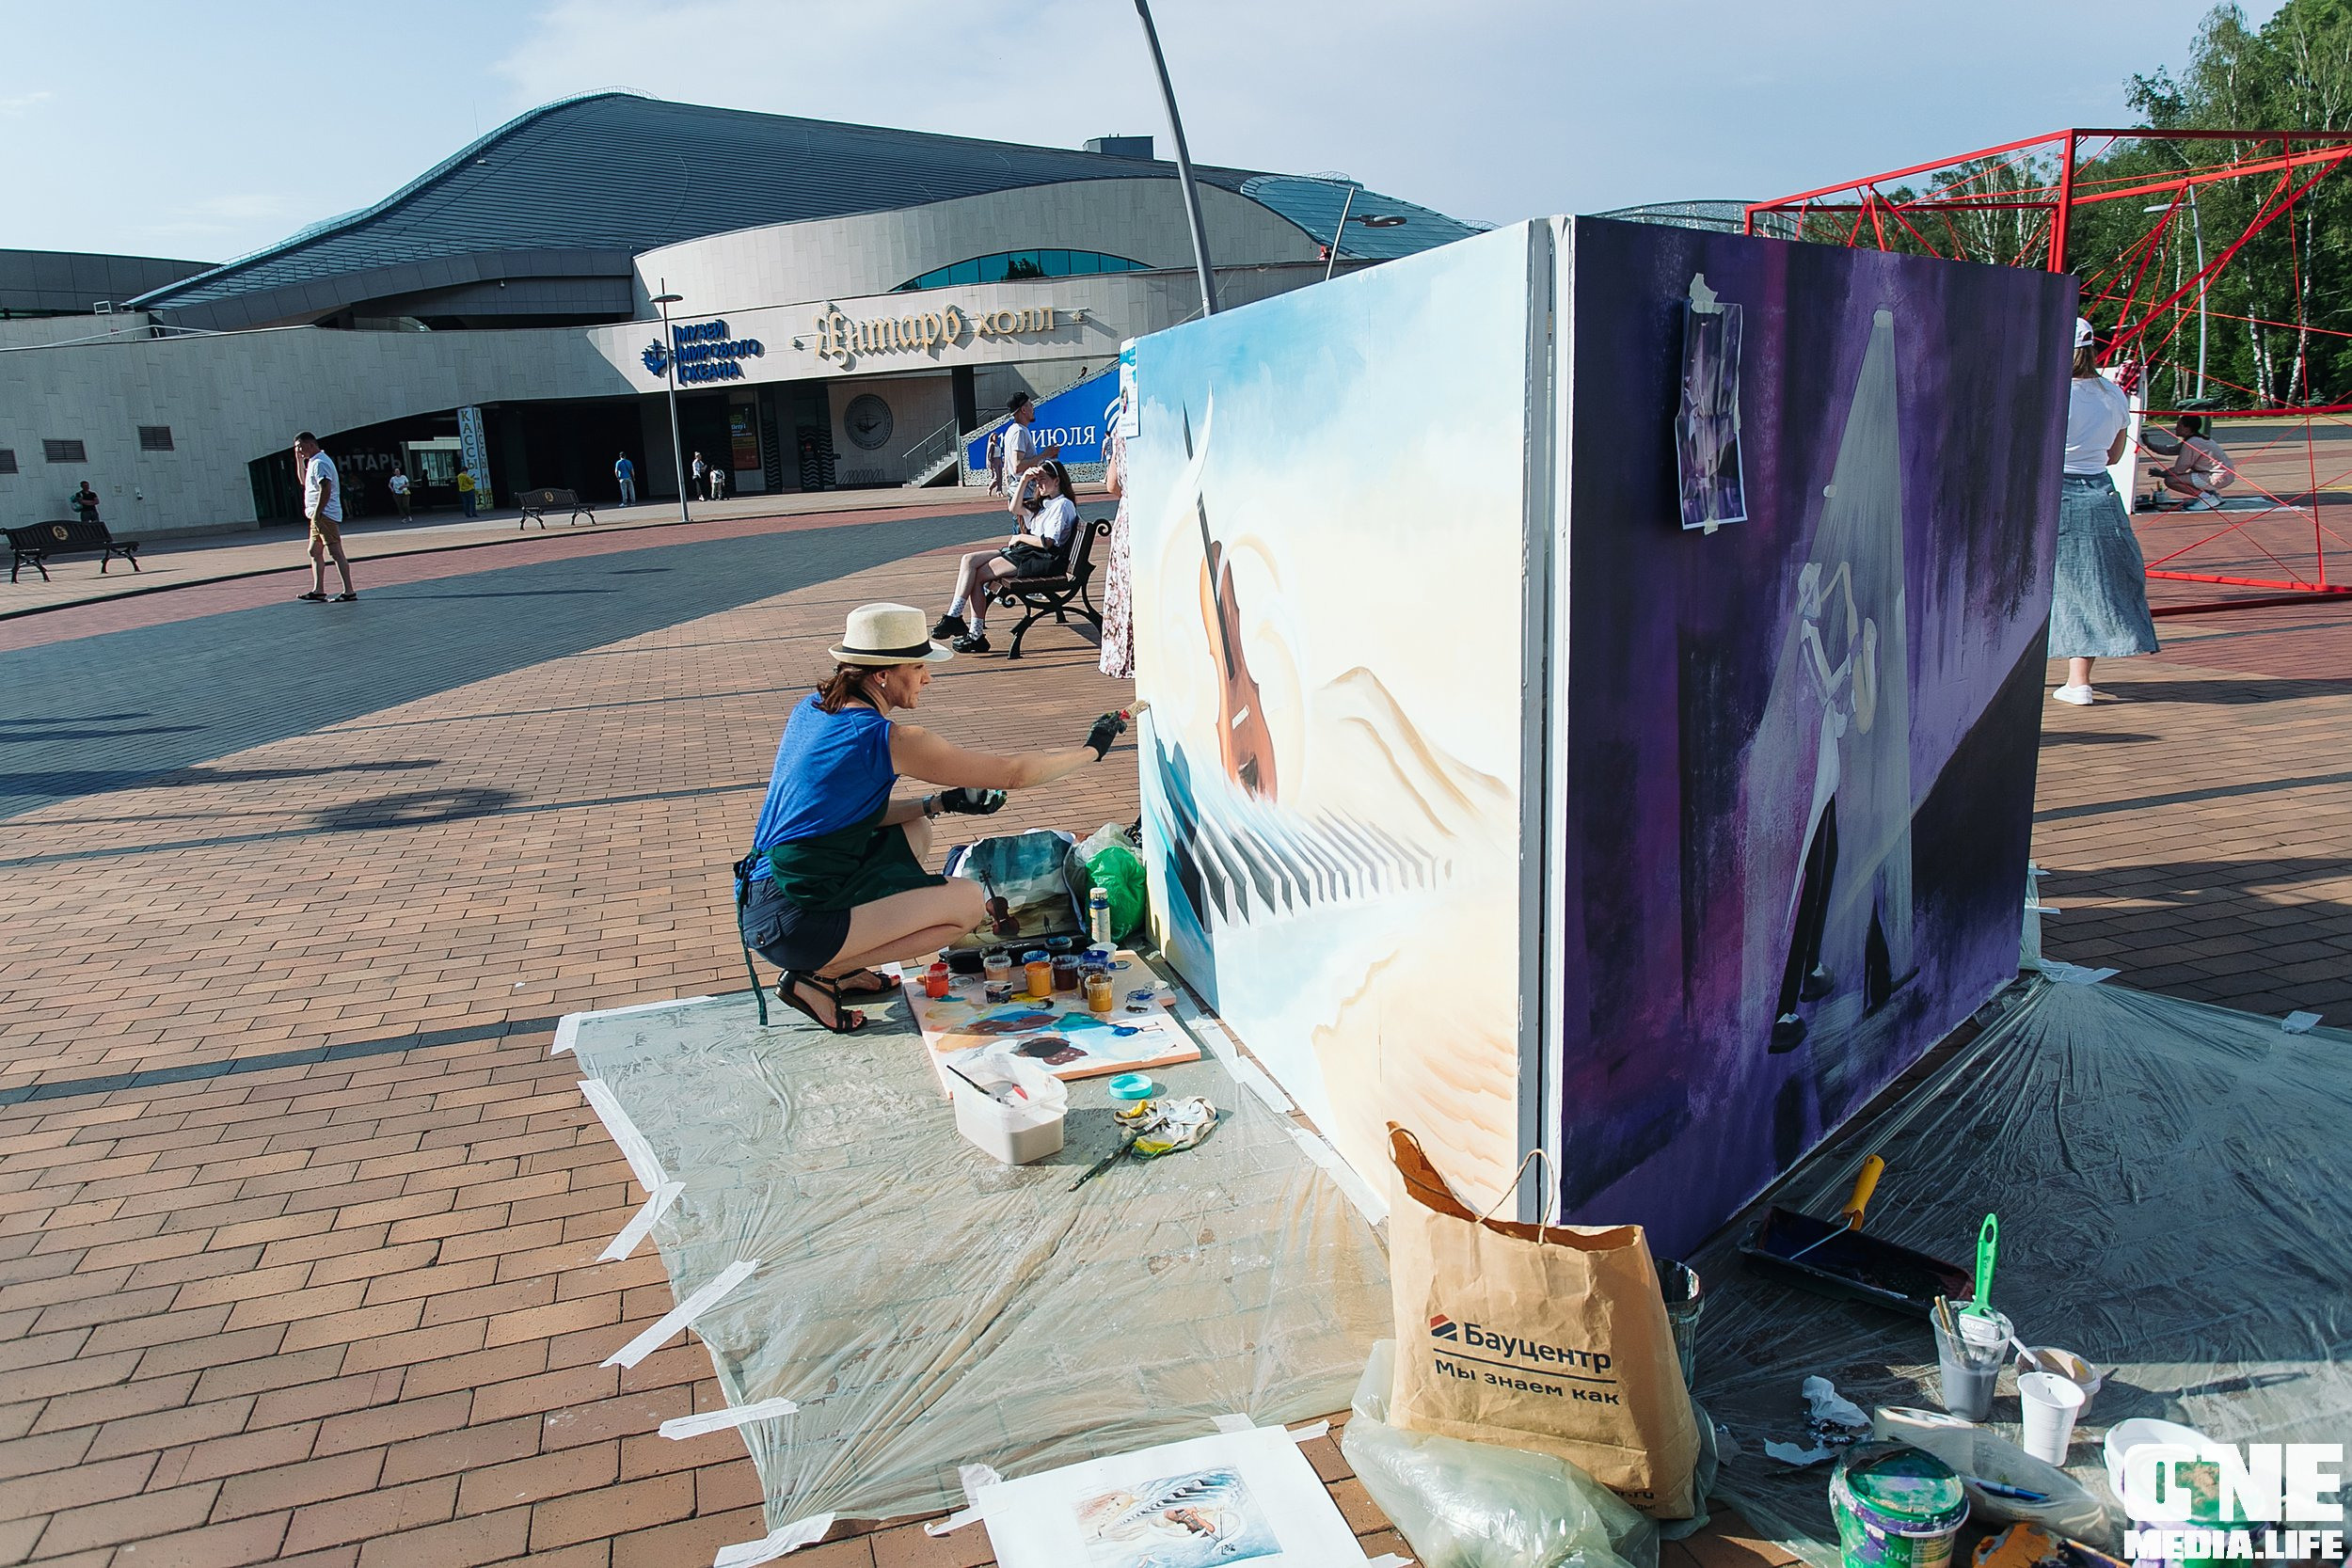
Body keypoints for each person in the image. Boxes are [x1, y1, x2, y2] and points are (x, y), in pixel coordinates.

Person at [735, 601, 1131, 1031]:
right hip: (791, 916)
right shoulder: (887, 738)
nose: (927, 678)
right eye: (918, 666)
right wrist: (1092, 751)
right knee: (968, 905)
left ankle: (840, 964)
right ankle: (819, 973)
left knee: (917, 826)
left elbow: (843, 816)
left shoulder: (815, 708)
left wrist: (940, 803)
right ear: (882, 674)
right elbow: (1013, 774)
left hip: (767, 893)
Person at [2050, 319, 2156, 705]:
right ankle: (2079, 681)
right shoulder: (2113, 393)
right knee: (2091, 585)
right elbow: (2114, 455)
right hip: (2099, 493)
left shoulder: (2052, 392)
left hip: (2051, 490)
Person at [930, 460, 1079, 654]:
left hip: (1043, 559)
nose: (1038, 484)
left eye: (1042, 479)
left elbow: (1048, 542)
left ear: (1057, 480)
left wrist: (1019, 537)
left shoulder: (1063, 505)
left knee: (978, 575)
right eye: (1036, 480)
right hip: (1028, 553)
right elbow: (1014, 508)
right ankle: (955, 616)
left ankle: (975, 634)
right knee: (969, 560)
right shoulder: (1046, 504)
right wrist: (1024, 480)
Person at [292, 432, 357, 603]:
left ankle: (349, 591)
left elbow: (325, 488)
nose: (298, 450)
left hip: (324, 514)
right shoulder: (313, 462)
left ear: (310, 445)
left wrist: (319, 512)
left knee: (335, 552)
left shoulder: (321, 463)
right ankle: (318, 590)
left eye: (300, 447)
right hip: (317, 515)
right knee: (314, 551)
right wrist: (299, 460)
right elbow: (304, 482)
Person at [1098, 388, 1135, 680]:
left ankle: (1121, 655)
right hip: (1150, 514)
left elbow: (1112, 485)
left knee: (1125, 587)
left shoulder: (1122, 427)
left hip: (1127, 516)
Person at [2143, 415, 2231, 511]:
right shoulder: (2198, 439)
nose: (2176, 428)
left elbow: (2180, 469)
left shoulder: (2192, 442)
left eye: (2179, 425)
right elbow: (2170, 450)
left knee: (2171, 480)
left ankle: (2207, 498)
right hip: (2223, 475)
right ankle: (2213, 495)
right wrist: (2149, 444)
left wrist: (2161, 474)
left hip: (2216, 477)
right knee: (2188, 474)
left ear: (2187, 428)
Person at [999, 391, 1059, 515]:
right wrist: (1044, 454)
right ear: (1023, 410)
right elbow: (1018, 466)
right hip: (1025, 495)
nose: (1033, 408)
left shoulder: (1013, 430)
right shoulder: (1019, 432)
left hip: (1020, 493)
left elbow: (1008, 466)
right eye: (1030, 405)